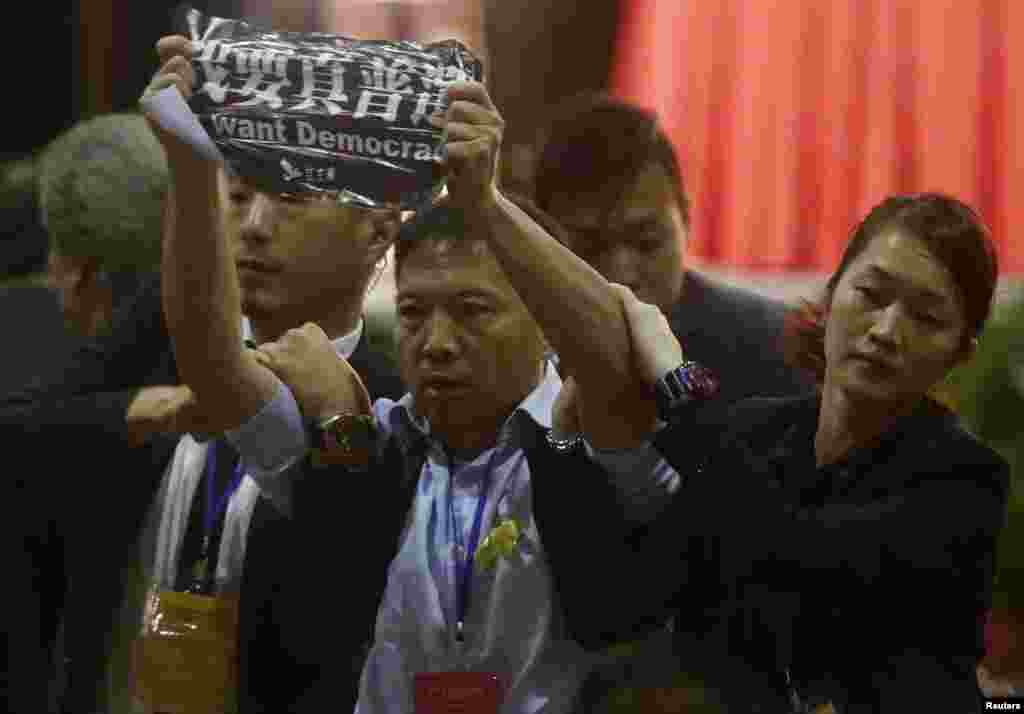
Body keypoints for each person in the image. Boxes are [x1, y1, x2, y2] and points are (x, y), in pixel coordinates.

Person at [528, 193, 1009, 712]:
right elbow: (611, 613)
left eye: (927, 318)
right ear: (831, 295)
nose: (887, 331)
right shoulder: (756, 433)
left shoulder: (964, 482)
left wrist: (678, 381)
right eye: (871, 294)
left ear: (960, 353)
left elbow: (796, 552)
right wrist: (561, 442)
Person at [139, 35, 406, 713]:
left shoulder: (394, 406)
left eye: (290, 197)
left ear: (379, 230)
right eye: (236, 194)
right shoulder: (144, 356)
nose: (253, 226)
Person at [532, 89, 813, 707]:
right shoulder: (516, 358)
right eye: (590, 248)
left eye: (647, 240)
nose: (622, 272)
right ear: (544, 246)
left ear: (686, 217)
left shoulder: (776, 349)